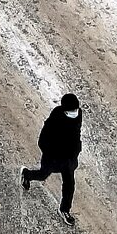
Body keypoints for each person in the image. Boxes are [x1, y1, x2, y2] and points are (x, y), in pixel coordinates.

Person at [21, 93, 82, 226]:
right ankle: (27, 174)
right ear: (65, 110)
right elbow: (42, 140)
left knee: (69, 184)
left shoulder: (79, 114)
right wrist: (51, 154)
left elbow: (77, 133)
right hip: (53, 156)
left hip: (69, 158)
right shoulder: (56, 118)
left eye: (76, 110)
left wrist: (76, 150)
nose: (75, 113)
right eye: (71, 111)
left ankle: (64, 210)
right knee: (43, 175)